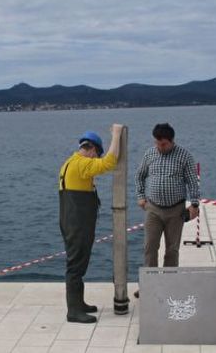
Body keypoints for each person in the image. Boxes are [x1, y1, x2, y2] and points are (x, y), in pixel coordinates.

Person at [58, 124, 124, 323]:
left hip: (72, 221)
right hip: (77, 224)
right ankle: (73, 311)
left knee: (78, 263)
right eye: (97, 154)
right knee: (76, 266)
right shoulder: (82, 164)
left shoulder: (70, 162)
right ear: (93, 149)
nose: (96, 158)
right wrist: (116, 134)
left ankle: (78, 304)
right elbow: (109, 162)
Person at [134, 123, 200, 298]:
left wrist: (194, 205)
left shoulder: (184, 156)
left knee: (172, 250)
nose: (160, 147)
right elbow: (140, 176)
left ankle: (169, 286)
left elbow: (192, 182)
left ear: (172, 141)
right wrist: (140, 196)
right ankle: (149, 286)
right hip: (153, 209)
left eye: (163, 144)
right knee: (150, 247)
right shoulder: (149, 154)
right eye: (157, 143)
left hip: (175, 210)